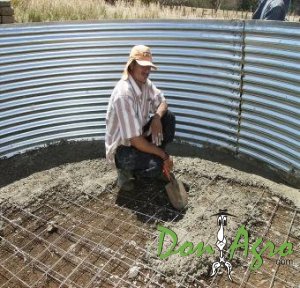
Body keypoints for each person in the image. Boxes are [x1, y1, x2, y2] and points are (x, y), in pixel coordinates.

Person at [105, 45, 175, 191]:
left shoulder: (145, 83)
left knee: (167, 118)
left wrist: (156, 118)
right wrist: (164, 156)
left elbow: (163, 102)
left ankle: (153, 162)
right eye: (142, 66)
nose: (147, 70)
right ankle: (126, 171)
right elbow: (135, 140)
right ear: (131, 66)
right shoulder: (123, 94)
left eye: (149, 66)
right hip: (123, 149)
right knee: (155, 164)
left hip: (139, 135)